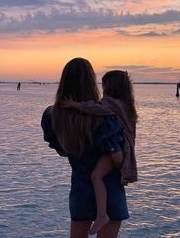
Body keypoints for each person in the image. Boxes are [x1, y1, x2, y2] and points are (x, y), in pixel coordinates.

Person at [41, 58, 129, 238]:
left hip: (80, 189)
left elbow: (62, 151)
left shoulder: (53, 115)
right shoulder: (107, 116)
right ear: (91, 82)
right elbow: (117, 158)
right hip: (110, 190)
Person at [62, 70, 138, 235]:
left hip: (116, 150)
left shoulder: (111, 104)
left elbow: (95, 108)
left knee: (96, 176)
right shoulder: (127, 105)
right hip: (124, 151)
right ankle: (102, 215)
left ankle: (102, 215)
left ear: (109, 87)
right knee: (98, 176)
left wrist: (75, 105)